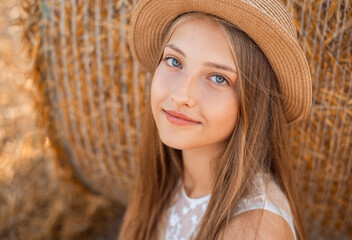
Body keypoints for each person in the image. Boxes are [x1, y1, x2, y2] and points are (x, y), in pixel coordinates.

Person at [120, 0, 312, 239]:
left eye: (219, 78)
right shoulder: (167, 177)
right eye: (174, 61)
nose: (181, 96)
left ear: (254, 104)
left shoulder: (253, 231)